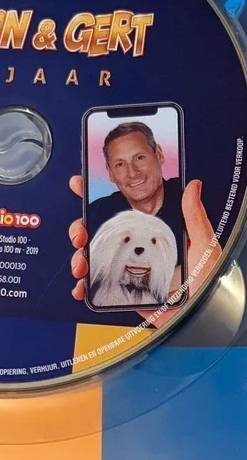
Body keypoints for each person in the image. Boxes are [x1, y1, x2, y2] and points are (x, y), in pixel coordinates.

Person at [69, 121, 221, 316]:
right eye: (120, 164)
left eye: (140, 158)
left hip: (214, 304)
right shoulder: (98, 213)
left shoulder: (195, 198)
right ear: (110, 173)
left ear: (159, 154)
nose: (132, 173)